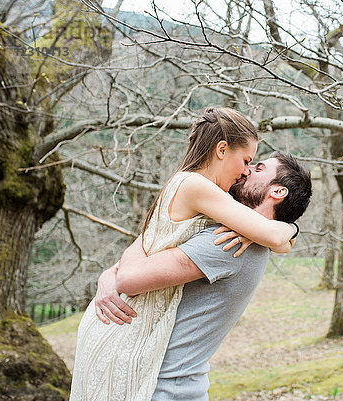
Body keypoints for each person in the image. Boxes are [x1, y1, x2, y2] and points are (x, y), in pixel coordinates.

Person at [69, 108, 301, 401]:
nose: (245, 170)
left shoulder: (228, 236)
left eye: (255, 167)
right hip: (149, 371)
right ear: (221, 150)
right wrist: (288, 230)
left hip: (162, 378)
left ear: (277, 192)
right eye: (246, 161)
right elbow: (139, 262)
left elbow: (149, 246)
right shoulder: (206, 203)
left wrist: (113, 274)